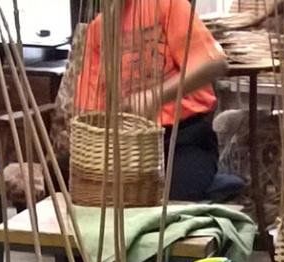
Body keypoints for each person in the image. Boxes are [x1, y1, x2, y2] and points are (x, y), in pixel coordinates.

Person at [74, 0, 229, 200]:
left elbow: (215, 64)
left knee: (165, 204)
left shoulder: (168, 5)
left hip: (183, 139)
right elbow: (90, 110)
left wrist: (155, 96)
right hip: (128, 148)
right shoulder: (98, 30)